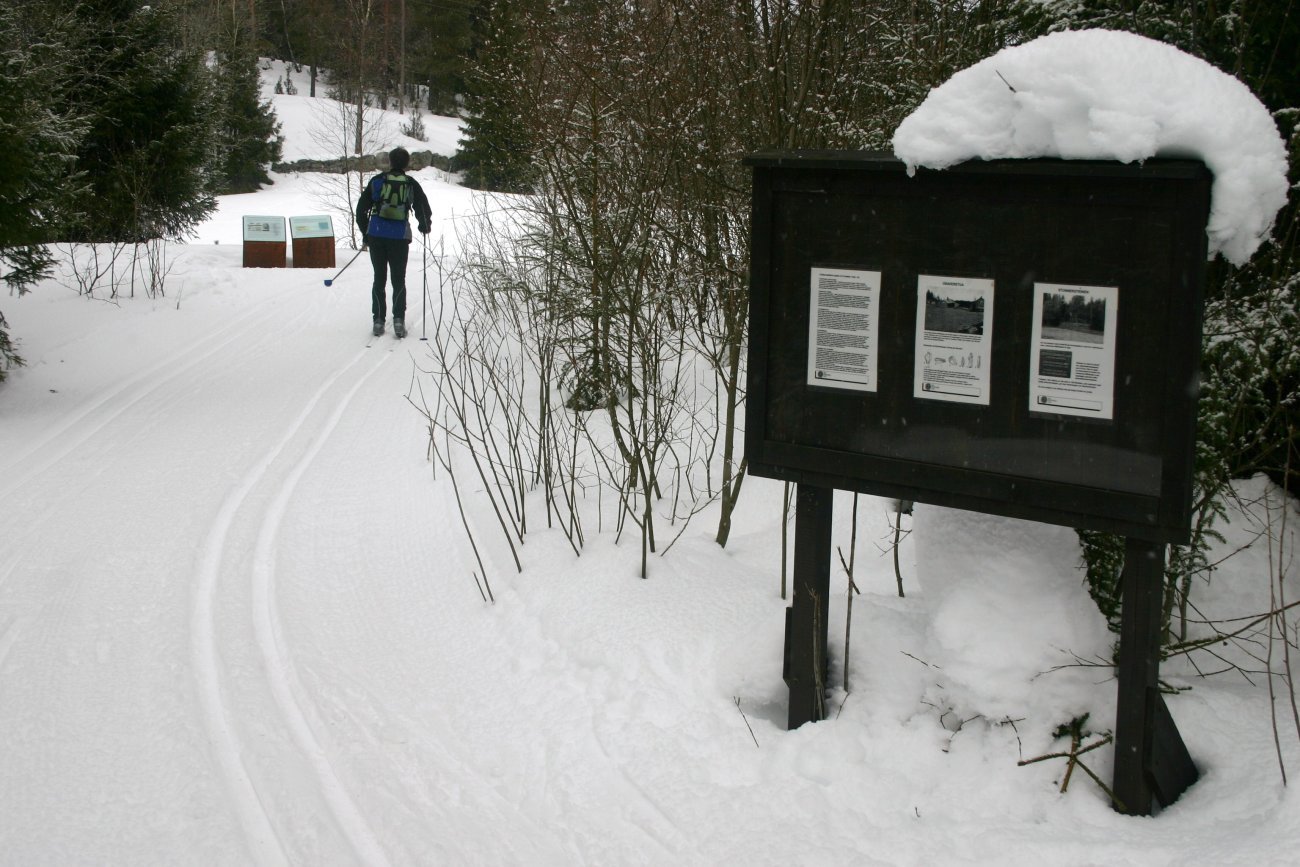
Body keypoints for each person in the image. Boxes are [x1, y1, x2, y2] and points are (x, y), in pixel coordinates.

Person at [355, 147, 432, 338]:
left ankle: (378, 321)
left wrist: (366, 232)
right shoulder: (410, 183)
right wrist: (424, 225)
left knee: (379, 278)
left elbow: (360, 210)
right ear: (406, 164)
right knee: (398, 280)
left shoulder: (377, 181)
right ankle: (398, 321)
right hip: (399, 237)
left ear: (389, 162)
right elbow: (422, 207)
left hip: (377, 234)